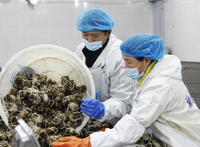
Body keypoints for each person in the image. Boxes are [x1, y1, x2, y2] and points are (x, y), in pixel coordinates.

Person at [52, 33, 200, 147]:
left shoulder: (160, 86)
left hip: (184, 142)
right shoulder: (151, 76)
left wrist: (89, 142)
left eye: (128, 62)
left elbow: (135, 124)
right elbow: (133, 108)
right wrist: (104, 110)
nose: (125, 67)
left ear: (146, 60)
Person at [74, 8, 136, 125]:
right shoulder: (80, 49)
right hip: (85, 119)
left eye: (95, 36)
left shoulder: (119, 55)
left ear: (108, 33)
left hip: (113, 123)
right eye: (85, 34)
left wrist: (102, 109)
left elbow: (124, 102)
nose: (90, 40)